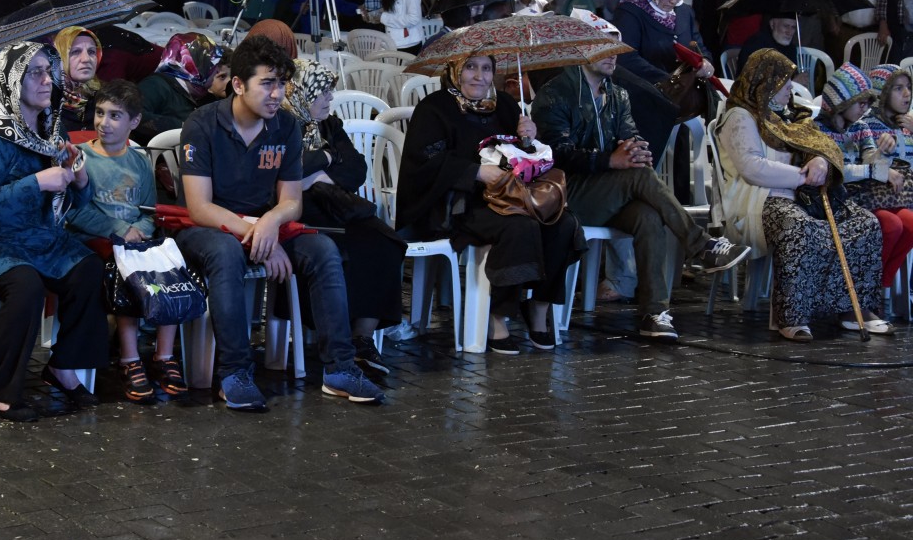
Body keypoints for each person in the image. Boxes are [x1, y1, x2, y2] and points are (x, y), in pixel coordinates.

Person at [177, 36, 385, 409]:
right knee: (225, 254)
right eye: (267, 83)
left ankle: (339, 369)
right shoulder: (202, 124)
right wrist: (260, 234)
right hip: (209, 229)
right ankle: (234, 372)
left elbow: (291, 201)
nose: (277, 93)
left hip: (263, 224)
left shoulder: (285, 126)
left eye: (281, 84)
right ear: (238, 85)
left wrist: (271, 223)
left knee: (323, 249)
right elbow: (199, 208)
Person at [531, 50, 750, 339]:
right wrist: (611, 160)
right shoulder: (555, 93)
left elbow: (630, 134)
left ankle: (653, 312)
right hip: (568, 192)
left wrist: (636, 149)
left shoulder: (617, 94)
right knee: (639, 175)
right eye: (604, 50)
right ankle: (700, 245)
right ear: (583, 52)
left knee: (648, 215)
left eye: (617, 51)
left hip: (612, 190)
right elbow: (556, 155)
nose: (613, 56)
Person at [0, 42, 106, 421]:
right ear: (11, 80)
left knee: (88, 268)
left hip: (29, 233)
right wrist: (38, 182)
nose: (48, 80)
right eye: (35, 73)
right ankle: (0, 390)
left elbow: (73, 203)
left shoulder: (49, 127)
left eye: (50, 71)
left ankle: (63, 367)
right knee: (25, 284)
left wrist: (78, 179)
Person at [396, 52, 583, 353]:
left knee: (562, 223)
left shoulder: (507, 105)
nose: (479, 77)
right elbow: (425, 163)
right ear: (454, 70)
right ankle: (497, 315)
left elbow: (525, 159)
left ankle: (537, 307)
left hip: (511, 197)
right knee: (518, 227)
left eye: (486, 69)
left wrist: (529, 139)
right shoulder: (435, 108)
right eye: (470, 67)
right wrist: (474, 172)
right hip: (459, 204)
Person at [716, 49, 888, 341]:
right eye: (783, 83)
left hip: (798, 198)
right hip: (756, 202)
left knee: (865, 223)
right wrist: (803, 176)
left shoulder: (787, 117)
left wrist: (820, 160)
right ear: (765, 82)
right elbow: (752, 168)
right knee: (798, 227)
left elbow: (815, 145)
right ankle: (792, 315)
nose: (788, 89)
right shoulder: (740, 116)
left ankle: (851, 309)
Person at [66, 81, 187, 403]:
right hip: (96, 239)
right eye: (101, 113)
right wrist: (120, 229)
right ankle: (130, 358)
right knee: (126, 268)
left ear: (134, 121)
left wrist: (142, 229)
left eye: (115, 116)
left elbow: (148, 209)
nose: (104, 122)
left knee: (169, 267)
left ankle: (164, 355)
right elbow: (75, 214)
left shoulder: (139, 159)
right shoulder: (83, 158)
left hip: (136, 237)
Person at [285, 58, 404, 370]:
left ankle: (362, 337)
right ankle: (335, 339)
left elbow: (356, 169)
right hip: (298, 212)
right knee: (336, 251)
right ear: (302, 92)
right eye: (323, 92)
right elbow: (287, 170)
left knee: (383, 241)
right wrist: (327, 156)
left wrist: (321, 169)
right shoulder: (280, 124)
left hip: (335, 204)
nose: (330, 99)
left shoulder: (329, 125)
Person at [814, 65, 913, 291]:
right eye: (860, 101)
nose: (864, 107)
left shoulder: (860, 128)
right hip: (836, 201)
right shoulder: (819, 130)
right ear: (842, 102)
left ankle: (877, 289)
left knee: (907, 223)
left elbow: (871, 159)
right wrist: (877, 169)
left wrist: (883, 153)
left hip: (871, 198)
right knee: (890, 225)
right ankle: (861, 292)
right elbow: (837, 172)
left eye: (868, 102)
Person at [611, 0, 714, 86]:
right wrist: (668, 80)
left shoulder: (684, 12)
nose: (674, 0)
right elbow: (625, 58)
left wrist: (706, 62)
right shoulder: (630, 12)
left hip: (682, 91)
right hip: (643, 90)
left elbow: (699, 47)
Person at [133, 32, 224, 143]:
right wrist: (183, 126)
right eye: (212, 65)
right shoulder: (155, 86)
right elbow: (134, 116)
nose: (217, 71)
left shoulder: (206, 97)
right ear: (195, 65)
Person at [54, 25, 102, 133]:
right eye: (75, 52)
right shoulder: (45, 99)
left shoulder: (104, 95)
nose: (86, 59)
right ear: (60, 56)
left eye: (91, 52)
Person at [736, 13, 801, 82]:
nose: (789, 32)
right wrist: (793, 83)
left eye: (793, 27)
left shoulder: (791, 48)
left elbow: (792, 73)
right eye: (786, 26)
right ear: (772, 24)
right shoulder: (756, 43)